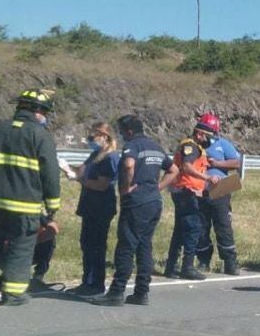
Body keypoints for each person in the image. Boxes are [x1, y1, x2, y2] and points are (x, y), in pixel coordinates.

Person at [0, 89, 61, 306]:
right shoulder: (40, 135)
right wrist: (52, 204)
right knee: (20, 249)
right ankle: (13, 294)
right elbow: (50, 173)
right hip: (24, 206)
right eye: (45, 112)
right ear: (38, 111)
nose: (44, 117)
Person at [91, 114, 179, 306]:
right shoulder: (156, 147)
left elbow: (129, 164)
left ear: (129, 132)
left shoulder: (133, 145)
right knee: (145, 246)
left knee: (126, 246)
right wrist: (157, 187)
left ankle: (116, 292)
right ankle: (141, 292)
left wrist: (125, 188)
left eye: (122, 132)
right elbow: (174, 170)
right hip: (154, 202)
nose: (122, 136)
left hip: (136, 202)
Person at [59, 121, 119, 297]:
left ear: (105, 137)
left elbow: (101, 184)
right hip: (89, 205)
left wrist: (78, 179)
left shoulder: (110, 158)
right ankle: (87, 280)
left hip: (101, 206)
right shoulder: (95, 155)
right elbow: (80, 171)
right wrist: (67, 168)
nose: (91, 139)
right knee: (86, 243)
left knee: (96, 245)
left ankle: (96, 283)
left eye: (94, 136)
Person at [163, 119, 221, 281]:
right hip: (186, 192)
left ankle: (171, 266)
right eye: (209, 136)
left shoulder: (195, 148)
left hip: (184, 191)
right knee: (194, 228)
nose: (210, 140)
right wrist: (207, 177)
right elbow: (187, 167)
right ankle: (187, 267)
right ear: (200, 133)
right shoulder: (191, 147)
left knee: (180, 230)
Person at [194, 113, 241, 275]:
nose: (208, 136)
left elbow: (237, 162)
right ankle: (203, 260)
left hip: (221, 188)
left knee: (223, 226)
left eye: (211, 132)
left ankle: (230, 261)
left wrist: (218, 163)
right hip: (199, 190)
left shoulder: (223, 144)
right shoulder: (193, 145)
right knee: (200, 227)